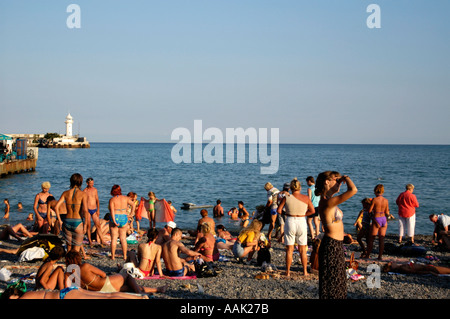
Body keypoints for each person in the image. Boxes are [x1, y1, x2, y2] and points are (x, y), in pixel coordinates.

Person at [315, 171, 357, 299]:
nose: (338, 182)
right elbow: (353, 190)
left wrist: (337, 183)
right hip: (331, 245)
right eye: (335, 180)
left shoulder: (328, 199)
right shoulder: (328, 202)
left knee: (337, 281)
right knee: (333, 283)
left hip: (335, 243)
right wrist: (346, 178)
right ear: (327, 182)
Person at [64, 250, 166, 294]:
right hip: (104, 284)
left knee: (129, 287)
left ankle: (157, 289)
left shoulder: (69, 274)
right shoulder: (85, 266)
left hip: (97, 291)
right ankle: (139, 293)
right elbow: (103, 274)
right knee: (126, 274)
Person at [277, 178, 315, 277]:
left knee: (289, 249)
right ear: (300, 187)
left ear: (291, 188)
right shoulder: (306, 198)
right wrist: (304, 214)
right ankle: (305, 271)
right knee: (302, 249)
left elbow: (279, 210)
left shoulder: (287, 197)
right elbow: (312, 211)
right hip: (301, 221)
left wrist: (288, 213)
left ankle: (288, 271)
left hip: (290, 221)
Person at [55, 173, 89, 257]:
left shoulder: (65, 193)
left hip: (67, 221)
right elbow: (85, 210)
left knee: (69, 247)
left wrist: (59, 220)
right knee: (76, 249)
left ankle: (68, 266)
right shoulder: (83, 194)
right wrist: (85, 225)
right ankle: (74, 267)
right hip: (77, 222)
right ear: (80, 182)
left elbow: (56, 207)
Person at [109, 185, 136, 261]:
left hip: (115, 217)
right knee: (123, 238)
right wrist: (131, 214)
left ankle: (113, 256)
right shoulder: (125, 198)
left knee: (114, 238)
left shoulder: (112, 200)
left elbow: (112, 211)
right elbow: (133, 204)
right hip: (124, 217)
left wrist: (114, 221)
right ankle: (124, 256)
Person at [363, 184, 390, 260]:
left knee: (371, 239)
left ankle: (368, 255)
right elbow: (387, 212)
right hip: (383, 219)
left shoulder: (374, 199)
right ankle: (380, 256)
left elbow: (370, 211)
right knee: (381, 239)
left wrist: (372, 218)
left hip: (377, 218)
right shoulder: (386, 200)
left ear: (375, 191)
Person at [2, 286, 149, 299]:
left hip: (64, 296)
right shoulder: (30, 294)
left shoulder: (25, 297)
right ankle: (139, 297)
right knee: (106, 296)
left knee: (106, 297)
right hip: (67, 292)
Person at [84, 177, 105, 246]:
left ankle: (102, 240)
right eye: (91, 183)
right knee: (88, 226)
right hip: (88, 210)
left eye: (93, 183)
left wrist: (98, 210)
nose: (92, 184)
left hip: (94, 209)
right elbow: (83, 202)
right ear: (87, 183)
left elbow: (97, 200)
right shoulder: (85, 191)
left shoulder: (95, 190)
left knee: (98, 225)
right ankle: (90, 241)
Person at [382, 261, 450, 275]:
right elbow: (415, 272)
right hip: (426, 269)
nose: (391, 262)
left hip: (425, 267)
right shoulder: (402, 268)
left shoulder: (401, 266)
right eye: (390, 263)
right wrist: (429, 272)